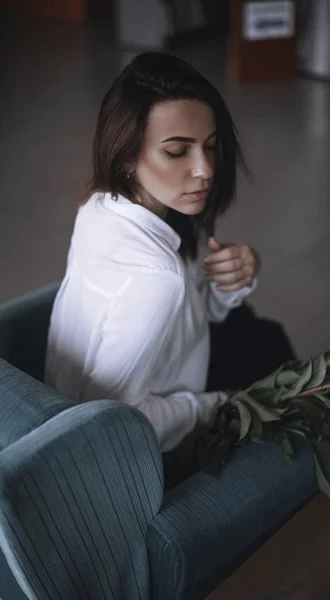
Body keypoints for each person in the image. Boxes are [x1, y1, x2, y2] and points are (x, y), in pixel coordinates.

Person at [45, 52, 294, 462]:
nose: (205, 170)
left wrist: (236, 275)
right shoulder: (156, 281)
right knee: (279, 373)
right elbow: (111, 422)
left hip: (173, 363)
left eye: (210, 146)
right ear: (126, 155)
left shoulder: (102, 204)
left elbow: (201, 313)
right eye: (177, 151)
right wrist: (213, 405)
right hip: (141, 443)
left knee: (262, 333)